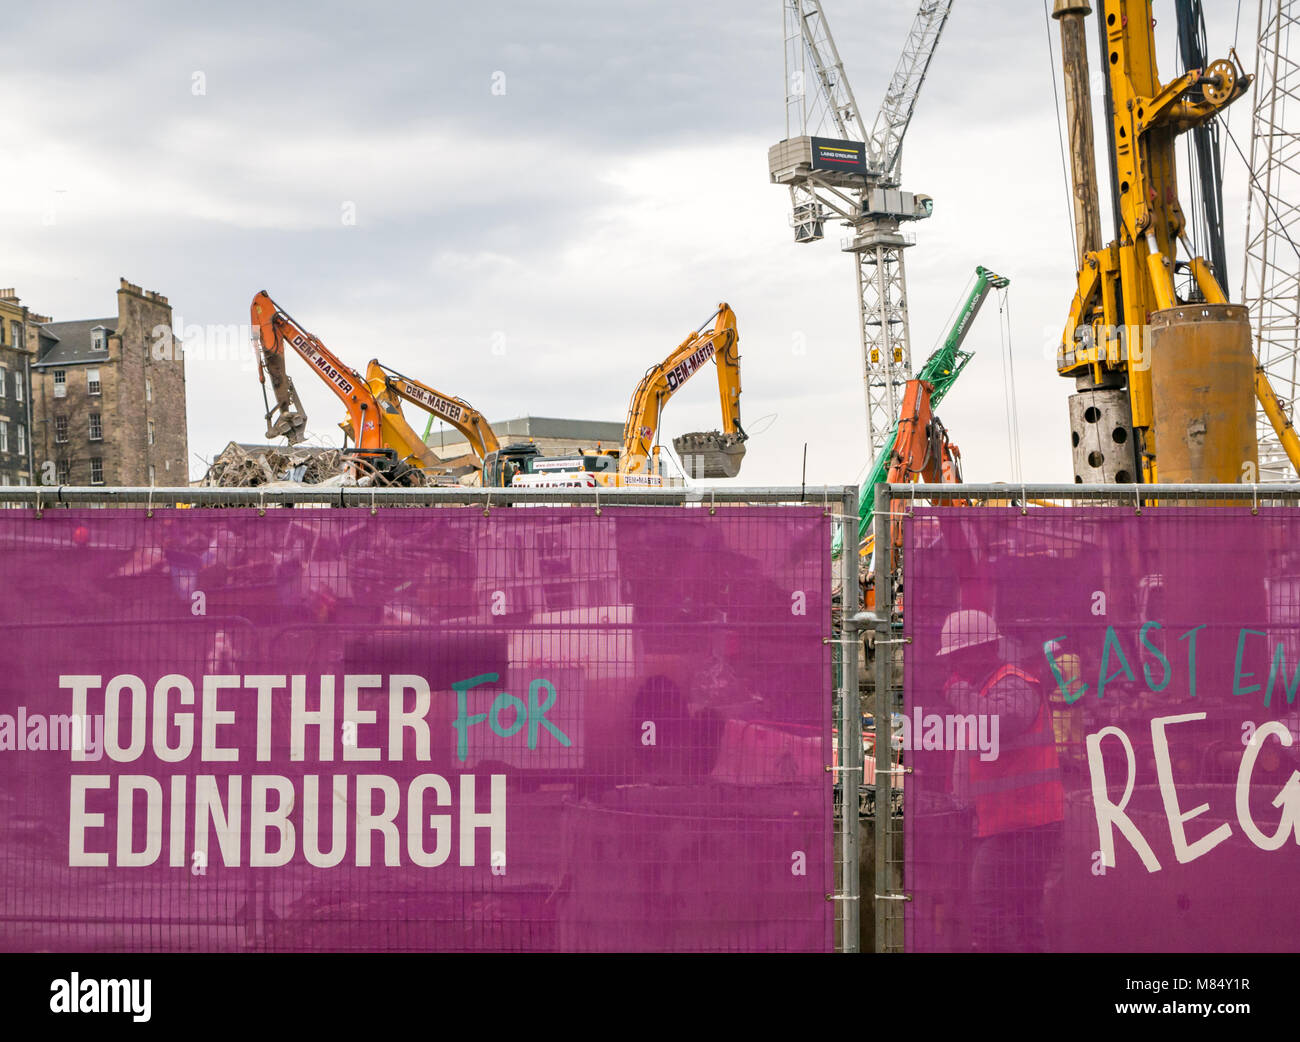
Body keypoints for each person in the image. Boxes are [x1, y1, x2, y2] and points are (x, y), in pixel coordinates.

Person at [937, 609, 1064, 953]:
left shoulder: (1013, 682)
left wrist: (959, 693)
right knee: (1022, 915)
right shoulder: (987, 689)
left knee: (988, 904)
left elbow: (1000, 723)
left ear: (983, 650)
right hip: (1010, 823)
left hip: (1025, 825)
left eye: (957, 656)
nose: (953, 667)